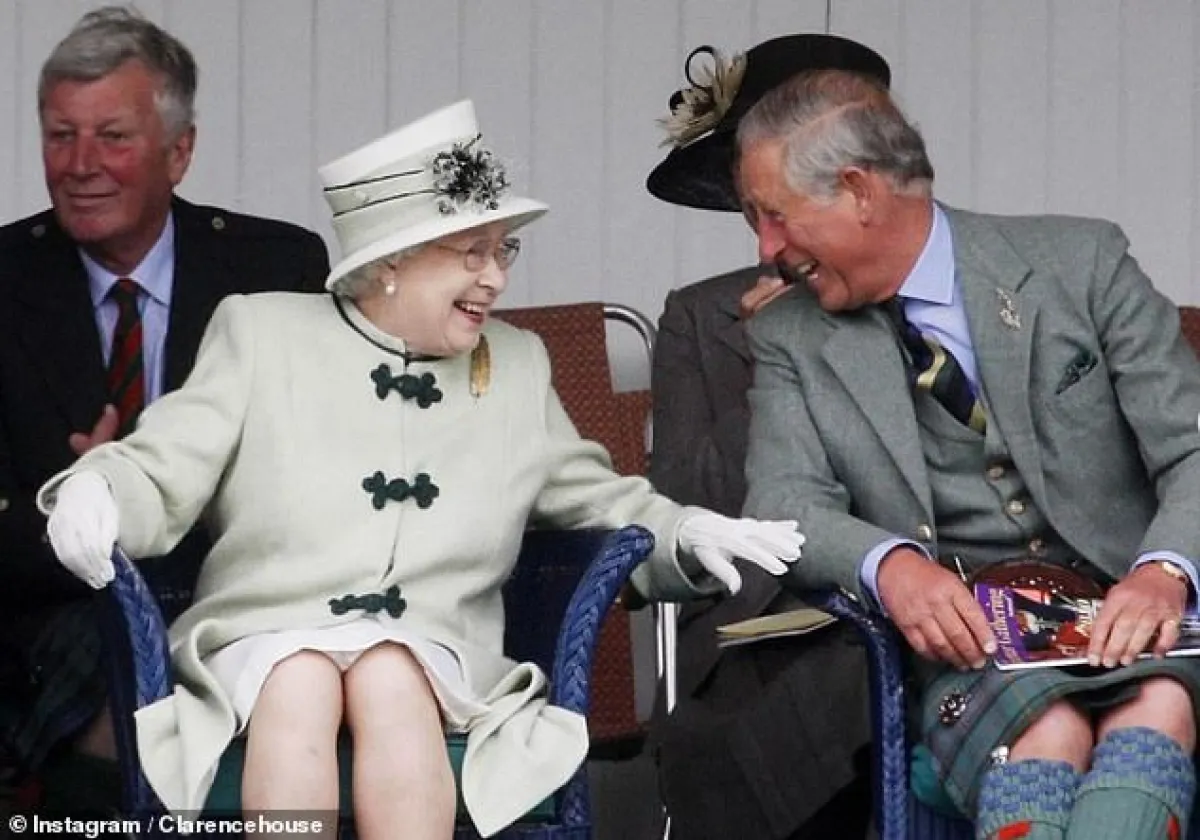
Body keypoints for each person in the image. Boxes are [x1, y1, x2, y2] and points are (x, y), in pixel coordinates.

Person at [36, 99, 805, 838]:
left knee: (391, 675)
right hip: (262, 637)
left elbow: (596, 499)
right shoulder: (261, 333)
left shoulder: (516, 362)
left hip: (435, 649)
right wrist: (97, 489)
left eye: (502, 250)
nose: (496, 277)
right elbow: (163, 460)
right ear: (391, 261)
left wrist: (684, 533)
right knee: (297, 678)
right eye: (472, 253)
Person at [736, 67, 1200, 840]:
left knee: (1159, 707)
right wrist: (891, 566)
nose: (766, 247)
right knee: (1048, 728)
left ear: (858, 190)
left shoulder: (1082, 262)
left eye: (775, 216)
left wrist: (1165, 572)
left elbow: (1193, 446)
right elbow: (784, 502)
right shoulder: (789, 336)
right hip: (978, 648)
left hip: (1142, 613)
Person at [0, 5, 330, 812]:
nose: (80, 164)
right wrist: (79, 508)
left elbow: (315, 476)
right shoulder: (5, 277)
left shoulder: (276, 268)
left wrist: (154, 495)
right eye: (60, 136)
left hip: (236, 600)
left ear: (179, 152)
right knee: (118, 672)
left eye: (112, 136)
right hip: (51, 611)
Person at [644, 35, 889, 840]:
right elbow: (689, 507)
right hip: (760, 628)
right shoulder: (702, 316)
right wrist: (769, 363)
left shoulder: (921, 298)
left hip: (915, 606)